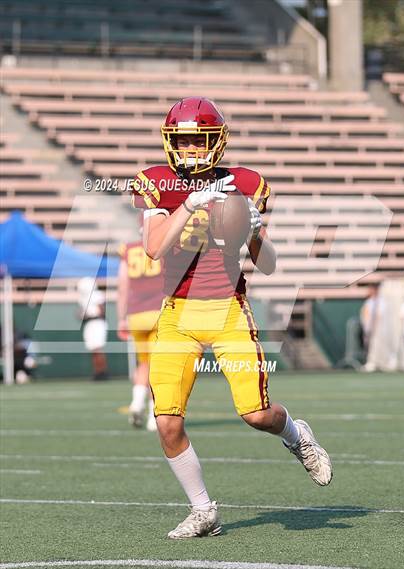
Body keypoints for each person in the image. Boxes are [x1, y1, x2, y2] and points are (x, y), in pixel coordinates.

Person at [131, 97, 332, 539]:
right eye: (182, 141)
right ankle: (203, 510)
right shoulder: (157, 182)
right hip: (177, 313)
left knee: (256, 414)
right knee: (167, 421)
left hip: (228, 310)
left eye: (198, 141)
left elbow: (269, 265)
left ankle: (297, 436)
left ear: (216, 143)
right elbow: (154, 248)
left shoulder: (244, 183)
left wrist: (255, 233)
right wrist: (189, 205)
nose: (189, 150)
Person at [117, 237, 164, 430]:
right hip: (158, 312)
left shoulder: (128, 249)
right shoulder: (163, 245)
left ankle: (137, 402)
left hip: (136, 315)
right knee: (157, 366)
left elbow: (122, 287)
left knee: (143, 362)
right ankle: (154, 415)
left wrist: (121, 318)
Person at [77, 277, 108, 381]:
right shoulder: (83, 298)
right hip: (89, 324)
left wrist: (89, 315)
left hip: (97, 323)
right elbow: (81, 313)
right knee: (93, 350)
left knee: (97, 349)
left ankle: (102, 372)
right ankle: (97, 372)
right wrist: (82, 315)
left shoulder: (97, 295)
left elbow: (101, 311)